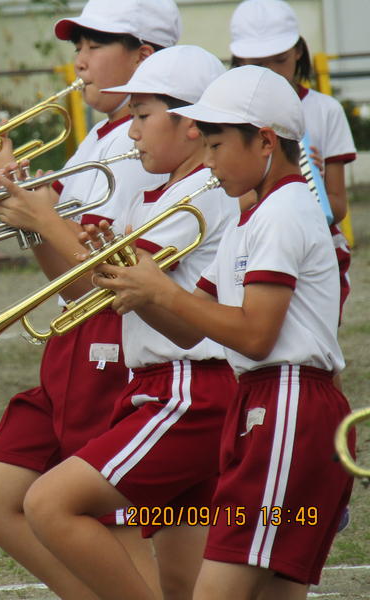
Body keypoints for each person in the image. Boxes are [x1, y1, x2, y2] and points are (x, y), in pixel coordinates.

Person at [89, 65, 354, 600]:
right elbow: (191, 329)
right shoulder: (250, 218)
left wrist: (162, 291)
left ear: (265, 142)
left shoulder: (284, 211)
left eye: (216, 145)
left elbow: (255, 336)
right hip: (267, 407)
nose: (207, 161)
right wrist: (134, 286)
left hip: (287, 407)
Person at [0, 1, 180, 598]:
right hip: (72, 339)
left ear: (144, 56)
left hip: (110, 343)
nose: (79, 61)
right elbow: (65, 275)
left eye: (94, 46)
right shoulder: (97, 142)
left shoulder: (143, 148)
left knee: (115, 524)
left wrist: (22, 190)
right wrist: (10, 192)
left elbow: (100, 277)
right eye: (77, 47)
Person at [7, 44, 236, 600]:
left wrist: (45, 218)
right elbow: (95, 287)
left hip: (187, 393)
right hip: (167, 384)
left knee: (49, 503)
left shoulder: (197, 193)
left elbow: (114, 284)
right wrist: (48, 227)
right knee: (182, 582)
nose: (131, 132)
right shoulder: (161, 194)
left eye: (142, 116)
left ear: (190, 124)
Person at [229, 0, 356, 320]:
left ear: (299, 51)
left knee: (315, 340)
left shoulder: (325, 110)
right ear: (238, 60)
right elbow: (227, 207)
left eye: (280, 59)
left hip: (317, 249)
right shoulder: (225, 115)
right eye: (258, 62)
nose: (271, 70)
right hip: (248, 248)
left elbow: (337, 207)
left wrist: (311, 184)